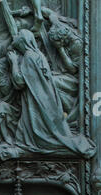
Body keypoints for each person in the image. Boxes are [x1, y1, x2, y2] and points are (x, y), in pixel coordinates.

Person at [7, 29, 95, 158]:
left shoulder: (29, 57)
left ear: (23, 40)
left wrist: (13, 62)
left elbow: (20, 82)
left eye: (18, 35)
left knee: (41, 134)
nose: (15, 36)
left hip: (37, 101)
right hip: (46, 99)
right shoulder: (37, 55)